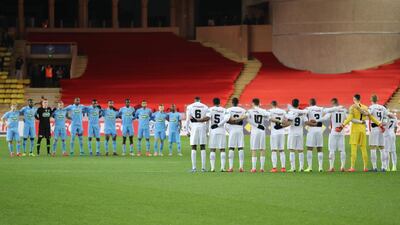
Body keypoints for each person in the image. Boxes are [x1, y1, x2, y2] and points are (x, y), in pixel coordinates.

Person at [337, 94, 384, 172]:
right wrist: (379, 124)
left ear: (354, 99)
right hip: (363, 129)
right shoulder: (365, 107)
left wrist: (342, 125)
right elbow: (371, 117)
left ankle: (352, 167)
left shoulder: (352, 107)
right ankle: (365, 167)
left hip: (355, 129)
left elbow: (350, 118)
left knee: (354, 148)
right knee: (363, 148)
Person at [316, 98, 349, 172]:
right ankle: (342, 167)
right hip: (341, 132)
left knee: (331, 150)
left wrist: (316, 120)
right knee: (342, 150)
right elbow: (348, 118)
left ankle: (331, 167)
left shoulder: (332, 110)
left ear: (333, 102)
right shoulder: (343, 109)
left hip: (333, 132)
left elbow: (325, 118)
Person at [286, 99, 313, 172]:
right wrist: (314, 124)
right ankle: (301, 167)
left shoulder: (291, 112)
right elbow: (306, 122)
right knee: (300, 150)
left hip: (292, 133)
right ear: (298, 104)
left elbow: (288, 122)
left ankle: (293, 168)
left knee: (292, 150)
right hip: (300, 133)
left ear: (292, 104)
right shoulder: (302, 113)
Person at [186, 96, 209, 172]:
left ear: (194, 100)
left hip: (194, 127)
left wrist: (187, 131)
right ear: (200, 100)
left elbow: (187, 119)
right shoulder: (205, 106)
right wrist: (207, 130)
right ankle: (203, 168)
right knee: (202, 146)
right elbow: (208, 118)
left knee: (193, 146)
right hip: (202, 125)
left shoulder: (190, 106)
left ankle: (194, 168)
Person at [246, 98, 269, 173]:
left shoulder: (250, 111)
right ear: (259, 103)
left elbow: (247, 119)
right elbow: (268, 115)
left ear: (253, 103)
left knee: (254, 149)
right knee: (262, 149)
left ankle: (254, 168)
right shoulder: (262, 110)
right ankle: (262, 168)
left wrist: (256, 125)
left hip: (255, 131)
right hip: (262, 130)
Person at [225, 97, 246, 172]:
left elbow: (227, 120)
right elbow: (245, 116)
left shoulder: (228, 110)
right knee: (240, 147)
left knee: (231, 148)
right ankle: (241, 167)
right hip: (240, 129)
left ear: (232, 102)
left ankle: (230, 167)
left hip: (232, 129)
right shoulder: (242, 110)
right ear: (238, 102)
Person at [368, 95, 389, 172]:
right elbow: (386, 116)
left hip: (374, 128)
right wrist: (383, 124)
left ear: (371, 99)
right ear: (378, 100)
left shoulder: (371, 107)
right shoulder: (383, 107)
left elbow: (368, 114)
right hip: (381, 129)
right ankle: (384, 167)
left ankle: (374, 167)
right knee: (382, 148)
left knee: (373, 147)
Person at [268, 100, 289, 172]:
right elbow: (288, 121)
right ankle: (283, 168)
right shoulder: (283, 111)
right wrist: (283, 125)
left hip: (274, 133)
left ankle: (274, 168)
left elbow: (269, 118)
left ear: (272, 104)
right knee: (282, 150)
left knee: (274, 150)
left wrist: (278, 122)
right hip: (282, 132)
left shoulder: (270, 111)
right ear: (277, 104)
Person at [207, 98, 227, 172]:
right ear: (220, 102)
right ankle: (222, 168)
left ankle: (212, 168)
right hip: (221, 130)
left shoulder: (210, 109)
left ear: (213, 102)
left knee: (212, 149)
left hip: (213, 131)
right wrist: (219, 124)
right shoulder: (224, 110)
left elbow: (208, 118)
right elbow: (226, 119)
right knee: (222, 149)